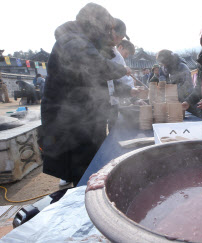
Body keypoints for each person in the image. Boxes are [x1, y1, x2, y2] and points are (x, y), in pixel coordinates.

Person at [40, 3, 135, 187]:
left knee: (90, 164)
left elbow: (96, 81)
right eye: (106, 28)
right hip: (70, 120)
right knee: (81, 172)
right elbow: (97, 66)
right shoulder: (71, 41)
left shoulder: (84, 40)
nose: (108, 34)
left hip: (86, 116)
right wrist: (122, 69)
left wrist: (128, 90)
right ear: (95, 23)